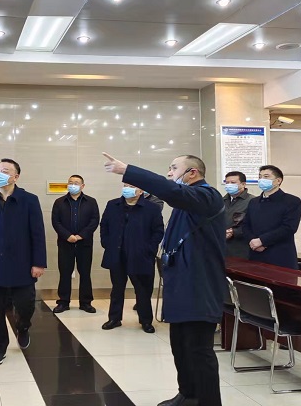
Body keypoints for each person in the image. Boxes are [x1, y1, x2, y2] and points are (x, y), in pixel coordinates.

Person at [103, 152, 226, 406]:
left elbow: (171, 191)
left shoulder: (207, 196)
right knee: (180, 346)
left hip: (199, 286)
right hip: (181, 284)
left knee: (198, 350)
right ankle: (188, 395)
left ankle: (208, 402)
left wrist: (128, 170)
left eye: (174, 168)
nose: (169, 173)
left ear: (192, 172)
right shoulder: (185, 202)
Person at [0, 158, 47, 366]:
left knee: (25, 304)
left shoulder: (29, 200)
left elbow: (38, 234)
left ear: (16, 177)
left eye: (5, 170)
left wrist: (39, 263)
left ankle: (23, 327)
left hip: (22, 262)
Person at [100, 183, 164, 333]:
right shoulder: (113, 205)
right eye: (125, 185)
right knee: (117, 289)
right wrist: (107, 243)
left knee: (142, 290)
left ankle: (145, 321)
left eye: (131, 186)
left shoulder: (152, 208)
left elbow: (158, 231)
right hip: (117, 254)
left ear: (141, 190)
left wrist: (148, 249)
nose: (127, 189)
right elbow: (104, 225)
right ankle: (114, 318)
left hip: (140, 256)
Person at [51, 175, 100, 314]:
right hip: (65, 243)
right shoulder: (59, 202)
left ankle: (86, 302)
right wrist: (67, 236)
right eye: (70, 182)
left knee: (85, 273)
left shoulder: (91, 202)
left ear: (82, 186)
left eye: (76, 183)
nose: (73, 185)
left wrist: (80, 236)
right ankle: (63, 302)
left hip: (84, 244)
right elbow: (56, 222)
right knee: (64, 273)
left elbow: (94, 221)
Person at [242, 165, 301, 269]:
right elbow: (246, 225)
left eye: (266, 176)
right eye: (260, 177)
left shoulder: (291, 201)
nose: (261, 179)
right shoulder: (254, 202)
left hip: (280, 254)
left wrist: (262, 241)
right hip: (255, 252)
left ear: (278, 181)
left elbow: (289, 228)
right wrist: (252, 241)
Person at [223, 171, 255, 259]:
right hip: (222, 246)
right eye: (227, 182)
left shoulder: (252, 201)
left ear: (243, 184)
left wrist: (235, 232)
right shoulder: (221, 201)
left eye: (233, 182)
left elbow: (255, 225)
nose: (229, 185)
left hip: (241, 248)